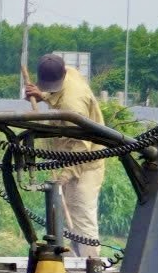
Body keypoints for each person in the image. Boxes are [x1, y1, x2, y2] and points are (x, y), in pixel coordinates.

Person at [25, 53, 108, 258]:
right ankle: (72, 263)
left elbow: (81, 149)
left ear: (62, 75)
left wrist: (64, 176)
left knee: (82, 219)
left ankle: (90, 267)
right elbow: (58, 97)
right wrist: (43, 96)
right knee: (68, 219)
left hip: (85, 163)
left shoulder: (74, 104)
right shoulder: (70, 72)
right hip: (67, 157)